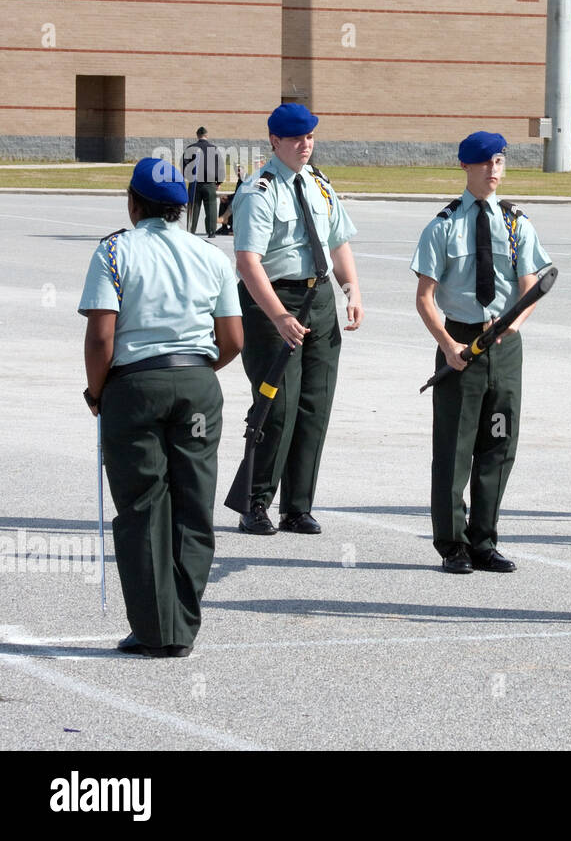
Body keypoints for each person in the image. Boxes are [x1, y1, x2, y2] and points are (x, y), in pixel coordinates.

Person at [79, 158, 243, 657]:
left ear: (133, 203)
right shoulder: (211, 254)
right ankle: (183, 625)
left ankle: (156, 630)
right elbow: (233, 339)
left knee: (142, 507)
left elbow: (101, 336)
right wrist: (193, 373)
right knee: (193, 505)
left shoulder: (113, 251)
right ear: (180, 208)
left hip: (135, 386)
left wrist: (96, 391)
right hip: (197, 383)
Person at [412, 132, 551, 574]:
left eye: (499, 162)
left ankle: (484, 540)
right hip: (460, 343)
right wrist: (447, 344)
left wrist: (512, 326)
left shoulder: (516, 223)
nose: (494, 170)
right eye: (485, 163)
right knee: (455, 448)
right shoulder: (444, 225)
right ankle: (452, 543)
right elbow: (425, 297)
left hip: (505, 348)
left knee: (498, 443)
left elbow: (530, 289)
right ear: (466, 168)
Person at [231, 103, 364, 536]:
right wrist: (279, 315)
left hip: (319, 298)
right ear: (274, 141)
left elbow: (338, 241)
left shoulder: (320, 183)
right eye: (295, 139)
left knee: (314, 405)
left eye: (310, 137)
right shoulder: (259, 191)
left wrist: (351, 290)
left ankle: (297, 506)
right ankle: (254, 503)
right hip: (275, 300)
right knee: (277, 406)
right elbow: (248, 263)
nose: (304, 145)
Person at [183, 127, 222, 238]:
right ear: (207, 135)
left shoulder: (190, 148)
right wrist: (218, 182)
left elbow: (184, 165)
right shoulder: (214, 149)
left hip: (195, 183)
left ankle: (191, 230)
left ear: (197, 135)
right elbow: (220, 167)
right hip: (209, 183)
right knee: (211, 207)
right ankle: (211, 231)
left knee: (193, 207)